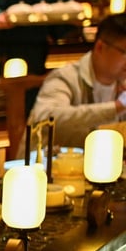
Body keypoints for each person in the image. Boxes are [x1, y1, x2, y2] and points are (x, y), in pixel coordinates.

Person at [28, 13, 126, 149]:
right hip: (48, 166)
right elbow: (45, 118)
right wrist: (116, 107)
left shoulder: (122, 83)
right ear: (100, 47)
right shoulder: (65, 77)